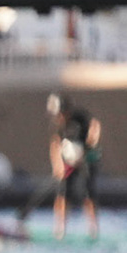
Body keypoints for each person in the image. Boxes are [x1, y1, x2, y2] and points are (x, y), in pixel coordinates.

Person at [15, 93, 102, 239]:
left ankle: (93, 228)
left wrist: (87, 147)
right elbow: (55, 144)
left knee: (88, 192)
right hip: (68, 160)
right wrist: (58, 165)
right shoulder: (57, 125)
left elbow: (95, 127)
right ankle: (60, 228)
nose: (59, 117)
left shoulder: (80, 118)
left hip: (86, 158)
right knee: (62, 192)